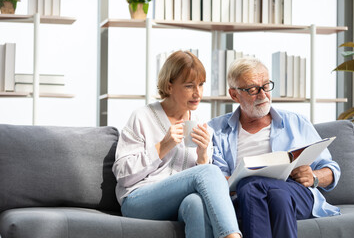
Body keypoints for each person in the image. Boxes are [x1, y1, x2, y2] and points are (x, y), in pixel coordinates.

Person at [112, 50, 242, 238]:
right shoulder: (142, 117)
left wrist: (203, 155)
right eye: (189, 86)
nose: (198, 93)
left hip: (178, 202)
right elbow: (123, 175)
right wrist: (162, 146)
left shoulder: (200, 123)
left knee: (196, 203)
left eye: (201, 85)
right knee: (211, 172)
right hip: (137, 201)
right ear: (169, 86)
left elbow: (202, 181)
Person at [208, 57, 340, 238]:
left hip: (296, 193)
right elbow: (216, 178)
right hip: (245, 199)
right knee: (274, 195)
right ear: (234, 94)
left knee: (253, 185)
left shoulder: (296, 122)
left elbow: (332, 169)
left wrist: (314, 176)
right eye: (253, 89)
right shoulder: (216, 130)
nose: (262, 95)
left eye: (266, 86)